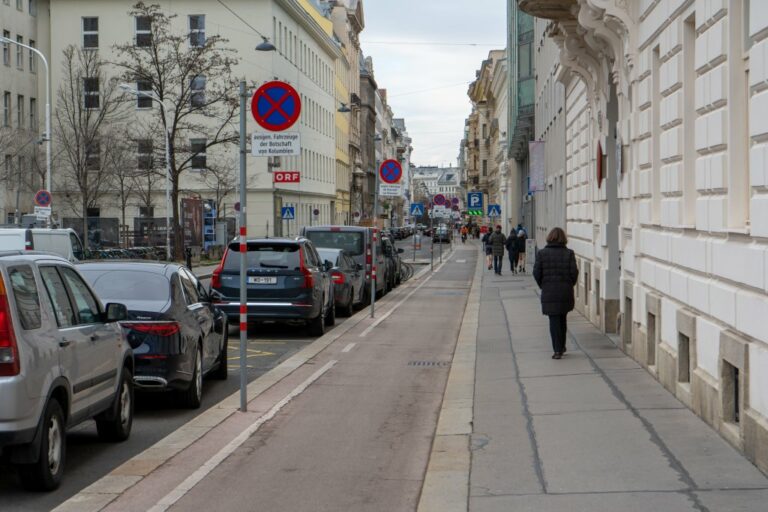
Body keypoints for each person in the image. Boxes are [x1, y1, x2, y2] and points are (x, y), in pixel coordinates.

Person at [533, 227, 579, 360]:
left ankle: (557, 349)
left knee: (554, 321)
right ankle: (562, 346)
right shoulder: (569, 253)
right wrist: (569, 284)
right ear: (563, 239)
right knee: (562, 319)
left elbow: (536, 273)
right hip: (565, 292)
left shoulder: (542, 253)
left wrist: (543, 285)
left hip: (549, 292)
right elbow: (574, 273)